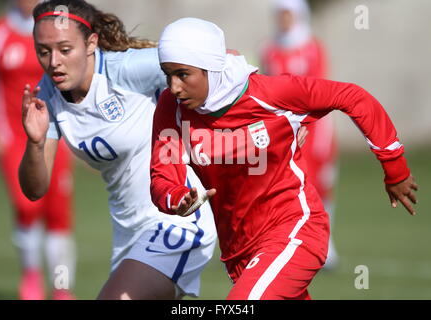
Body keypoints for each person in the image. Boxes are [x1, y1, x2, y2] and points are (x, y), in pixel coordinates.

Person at [150, 17, 418, 300]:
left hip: (295, 228)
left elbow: (353, 97)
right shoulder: (172, 107)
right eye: (168, 75)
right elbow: (162, 176)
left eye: (183, 74)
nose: (174, 86)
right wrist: (177, 198)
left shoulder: (269, 94)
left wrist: (395, 168)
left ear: (211, 68)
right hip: (239, 249)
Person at [18, 0, 216, 300]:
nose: (54, 62)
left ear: (91, 43)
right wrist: (34, 142)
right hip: (129, 234)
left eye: (65, 49)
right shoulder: (48, 93)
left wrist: (282, 117)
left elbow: (220, 64)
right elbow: (35, 190)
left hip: (178, 217)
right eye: (44, 51)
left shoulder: (126, 70)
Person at [0, 0, 76, 300]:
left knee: (59, 217)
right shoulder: (1, 33)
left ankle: (61, 287)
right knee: (28, 209)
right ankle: (31, 277)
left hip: (56, 137)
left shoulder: (57, 31)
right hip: (16, 140)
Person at [260, 0, 339, 269]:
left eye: (288, 14)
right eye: (280, 14)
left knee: (320, 185)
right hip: (282, 127)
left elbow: (320, 88)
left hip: (313, 125)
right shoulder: (270, 49)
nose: (284, 20)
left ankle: (327, 247)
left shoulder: (312, 47)